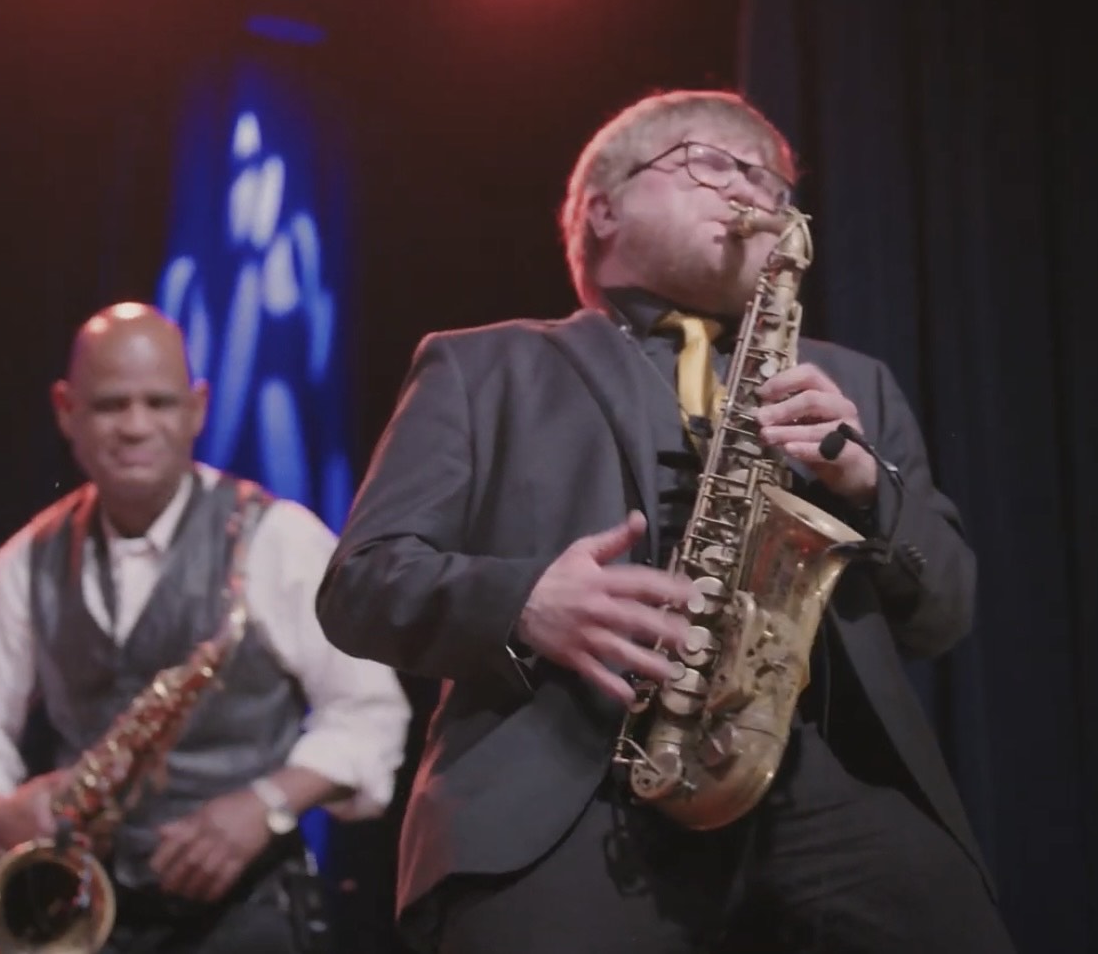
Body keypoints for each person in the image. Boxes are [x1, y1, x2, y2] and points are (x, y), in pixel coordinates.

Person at [316, 89, 1018, 954]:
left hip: (826, 788)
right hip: (562, 794)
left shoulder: (854, 384)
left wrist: (866, 483)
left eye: (772, 179)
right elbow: (360, 582)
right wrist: (525, 602)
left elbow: (944, 611)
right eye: (712, 163)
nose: (754, 192)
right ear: (601, 210)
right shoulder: (481, 362)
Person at [0, 303, 412, 953]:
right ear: (66, 409)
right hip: (81, 917)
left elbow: (370, 713)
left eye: (158, 402)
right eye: (109, 405)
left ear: (197, 408)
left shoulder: (278, 538)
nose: (134, 426)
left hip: (247, 916)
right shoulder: (23, 564)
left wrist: (263, 803)